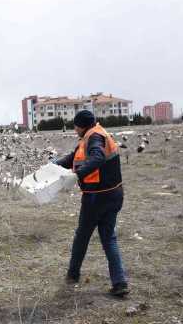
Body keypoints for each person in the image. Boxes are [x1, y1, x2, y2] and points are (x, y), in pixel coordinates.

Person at [55, 110, 129, 297]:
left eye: (75, 126)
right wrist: (54, 166)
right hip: (114, 195)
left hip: (97, 197)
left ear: (82, 125)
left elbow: (97, 157)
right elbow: (73, 157)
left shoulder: (94, 137)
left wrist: (77, 175)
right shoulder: (95, 134)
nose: (74, 129)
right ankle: (119, 283)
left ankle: (72, 275)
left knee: (82, 237)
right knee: (108, 238)